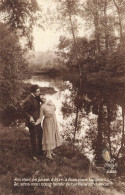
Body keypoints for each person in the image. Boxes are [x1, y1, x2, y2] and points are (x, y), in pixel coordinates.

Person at [35, 95, 61, 159]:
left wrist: (51, 103)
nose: (43, 98)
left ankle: (51, 151)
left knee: (53, 135)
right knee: (48, 136)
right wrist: (35, 123)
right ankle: (48, 154)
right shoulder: (42, 107)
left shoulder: (49, 102)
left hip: (53, 120)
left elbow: (54, 109)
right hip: (47, 122)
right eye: (41, 98)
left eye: (43, 97)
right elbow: (41, 118)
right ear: (40, 100)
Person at [23, 84, 44, 160]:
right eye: (38, 91)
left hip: (37, 121)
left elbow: (41, 100)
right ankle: (34, 155)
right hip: (31, 122)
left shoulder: (36, 97)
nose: (39, 92)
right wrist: (30, 117)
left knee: (40, 135)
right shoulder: (28, 100)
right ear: (33, 92)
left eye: (39, 91)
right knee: (33, 138)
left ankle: (40, 151)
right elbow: (24, 111)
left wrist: (43, 100)